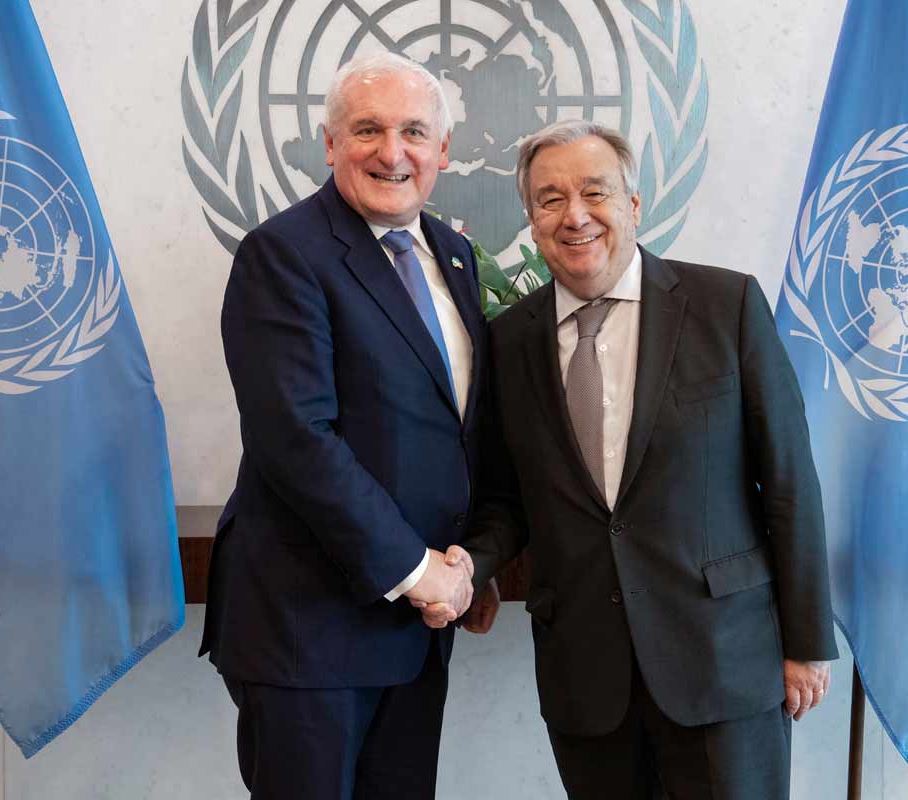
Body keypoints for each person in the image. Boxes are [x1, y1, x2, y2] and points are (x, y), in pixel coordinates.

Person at [421, 120, 838, 799]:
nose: (575, 215)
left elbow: (789, 481)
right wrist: (472, 565)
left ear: (634, 205)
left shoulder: (725, 306)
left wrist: (806, 640)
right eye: (551, 199)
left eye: (595, 191)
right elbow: (505, 497)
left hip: (724, 666)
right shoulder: (508, 341)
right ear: (531, 219)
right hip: (587, 676)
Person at [199, 52, 492, 799]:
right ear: (330, 144)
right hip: (310, 630)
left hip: (417, 631)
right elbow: (297, 441)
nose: (392, 152)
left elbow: (458, 433)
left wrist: (469, 566)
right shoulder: (284, 253)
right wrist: (421, 570)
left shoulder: (454, 257)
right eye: (367, 129)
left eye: (414, 132)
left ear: (443, 152)